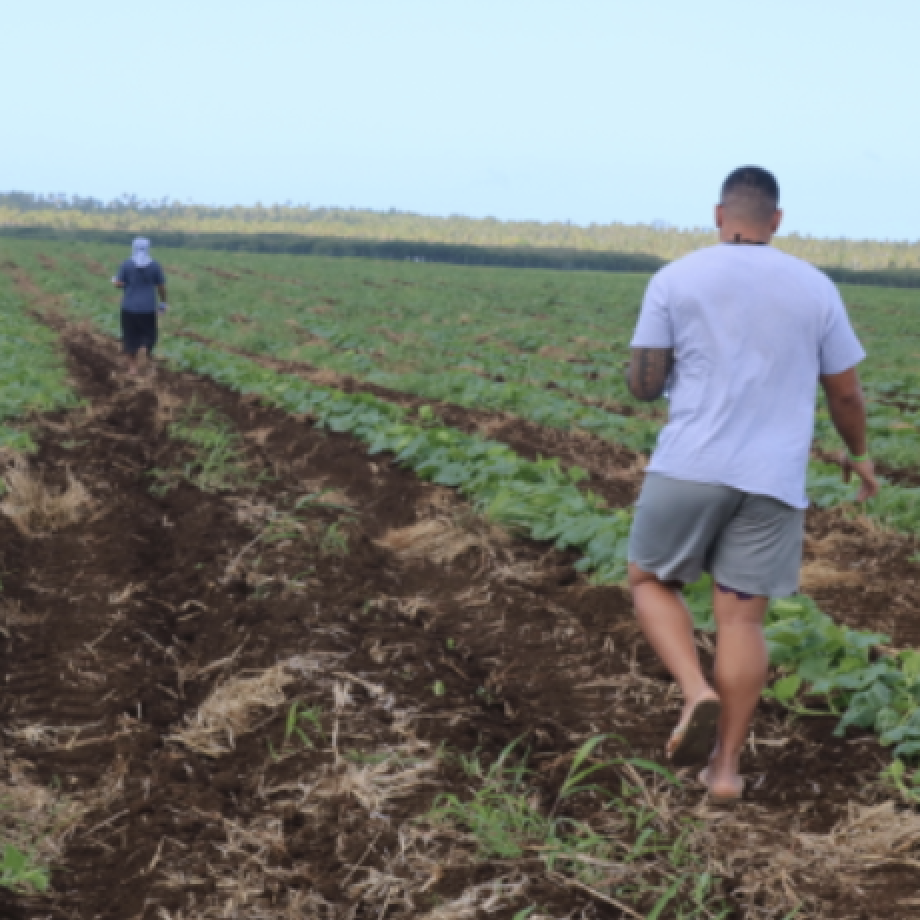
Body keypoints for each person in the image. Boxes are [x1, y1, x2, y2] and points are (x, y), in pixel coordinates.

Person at [625, 166, 878, 804]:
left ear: (718, 215)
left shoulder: (676, 277)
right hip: (772, 480)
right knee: (741, 624)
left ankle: (695, 689)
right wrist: (862, 455)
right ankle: (726, 770)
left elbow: (645, 382)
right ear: (776, 220)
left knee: (650, 579)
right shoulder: (815, 287)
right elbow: (845, 391)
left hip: (690, 465)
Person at [112, 238, 169, 375]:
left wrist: (115, 281)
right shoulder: (154, 265)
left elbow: (118, 283)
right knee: (149, 334)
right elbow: (161, 286)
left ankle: (132, 368)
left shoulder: (126, 264)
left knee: (130, 336)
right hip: (148, 308)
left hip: (129, 307)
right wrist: (163, 303)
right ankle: (144, 348)